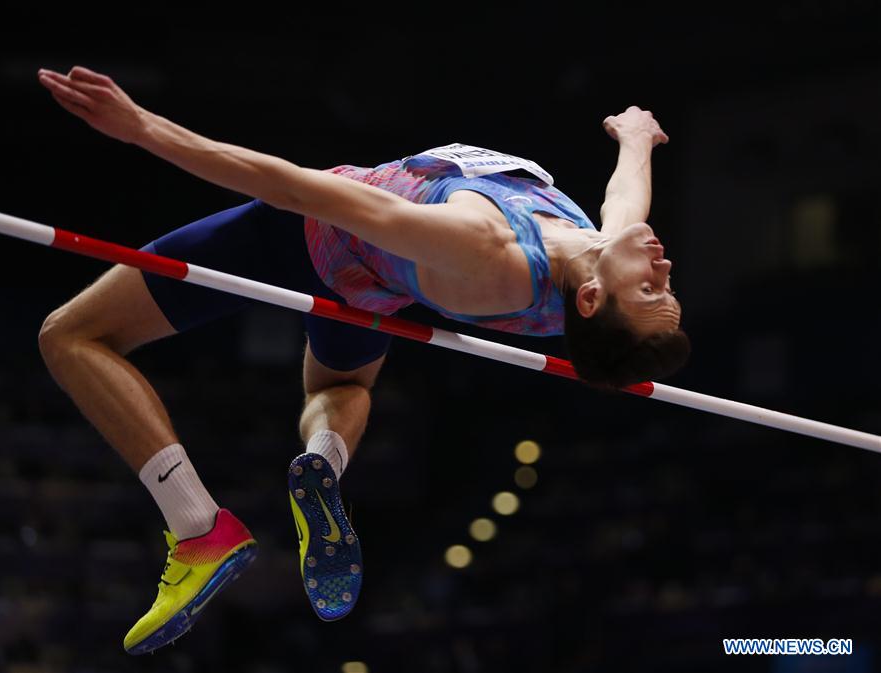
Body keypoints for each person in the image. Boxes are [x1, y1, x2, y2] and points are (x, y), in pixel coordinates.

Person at [35, 66, 690, 654]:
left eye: (649, 287)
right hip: (376, 288)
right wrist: (635, 141)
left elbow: (297, 190)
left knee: (70, 335)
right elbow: (623, 206)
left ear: (593, 297)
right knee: (342, 382)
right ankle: (322, 460)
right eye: (665, 288)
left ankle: (197, 526)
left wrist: (142, 127)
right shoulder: (591, 268)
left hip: (310, 239)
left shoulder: (484, 248)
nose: (662, 267)